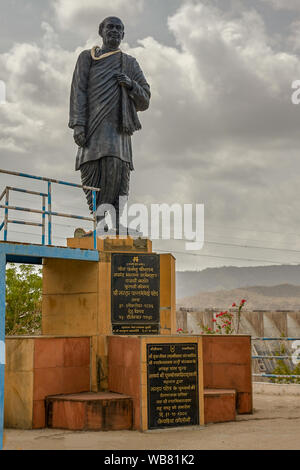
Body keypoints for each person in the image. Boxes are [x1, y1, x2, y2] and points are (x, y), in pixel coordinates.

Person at [69, 16, 150, 235]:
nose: (114, 31)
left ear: (123, 35)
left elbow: (145, 99)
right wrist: (78, 124)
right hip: (92, 128)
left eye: (119, 28)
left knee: (118, 170)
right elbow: (79, 91)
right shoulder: (87, 58)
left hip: (118, 130)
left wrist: (131, 85)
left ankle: (115, 223)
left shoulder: (129, 63)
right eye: (110, 27)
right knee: (91, 171)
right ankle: (100, 223)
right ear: (101, 31)